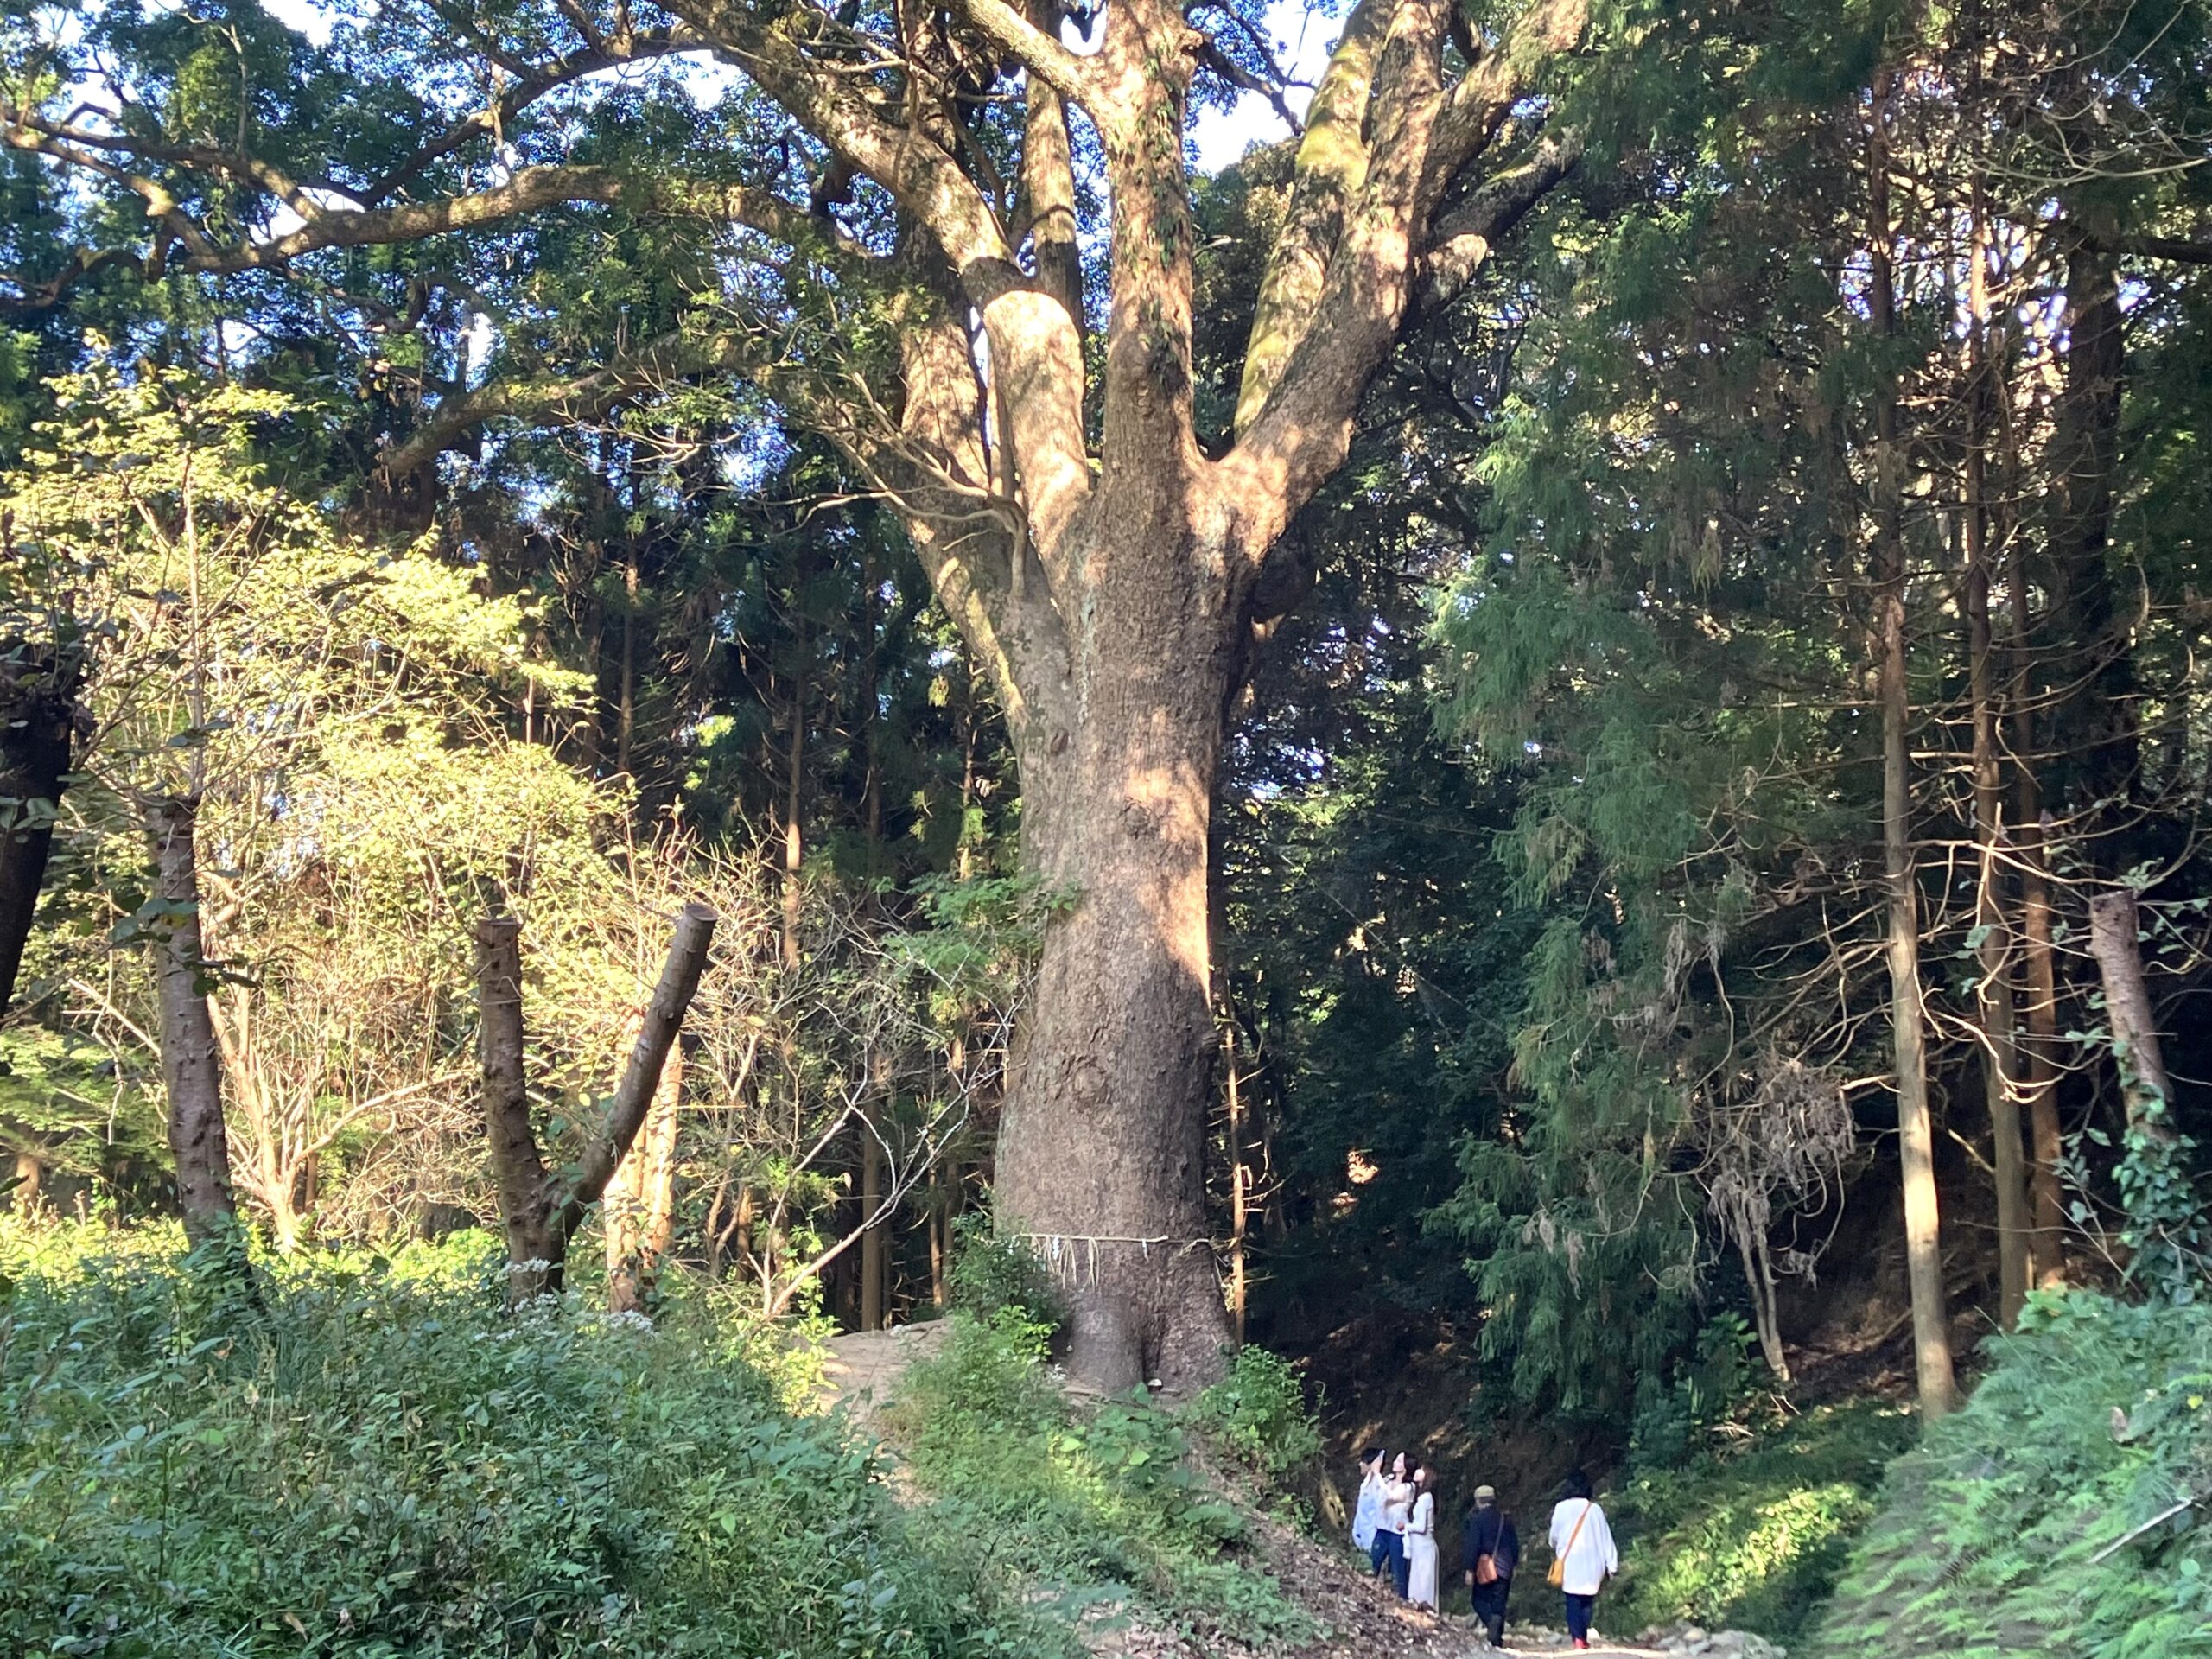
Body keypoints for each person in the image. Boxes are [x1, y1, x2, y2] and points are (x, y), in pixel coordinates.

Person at [1548, 1470, 1619, 1651]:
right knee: (1587, 1599)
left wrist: (1555, 1544)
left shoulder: (1560, 1508)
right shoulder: (1594, 1509)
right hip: (1593, 1562)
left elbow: (1553, 1536)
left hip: (1569, 1561)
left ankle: (1577, 1638)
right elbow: (1605, 1537)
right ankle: (1583, 1635)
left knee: (1572, 1599)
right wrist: (1612, 1564)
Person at [1462, 1483, 1518, 1649]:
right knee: (1499, 1602)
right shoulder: (1505, 1518)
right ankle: (1497, 1638)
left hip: (1485, 1568)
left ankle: (1491, 1625)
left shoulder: (1477, 1520)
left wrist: (1469, 1569)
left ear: (1478, 1501)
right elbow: (1514, 1544)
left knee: (1478, 1600)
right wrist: (1514, 1563)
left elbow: (1473, 1545)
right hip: (1504, 1566)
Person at [1376, 1452, 1414, 1596]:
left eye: (1399, 1460)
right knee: (1375, 1559)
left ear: (1406, 1467)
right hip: (1382, 1528)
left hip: (1397, 1532)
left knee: (1399, 1570)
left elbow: (1391, 1496)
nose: (1395, 1462)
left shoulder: (1409, 1487)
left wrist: (1377, 1474)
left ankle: (1403, 1599)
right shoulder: (1387, 1480)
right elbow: (1379, 1494)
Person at [1404, 1467, 1440, 1611]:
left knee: (1424, 1585)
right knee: (1419, 1582)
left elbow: (1421, 1527)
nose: (1417, 1471)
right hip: (1420, 1548)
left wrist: (1406, 1526)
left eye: (1421, 1470)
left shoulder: (1425, 1498)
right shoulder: (1423, 1498)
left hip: (1424, 1548)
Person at [1351, 1448, 1386, 1558]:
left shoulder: (1378, 1486)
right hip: (1361, 1532)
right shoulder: (1365, 1484)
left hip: (1372, 1536)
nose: (1360, 1464)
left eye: (1364, 1462)